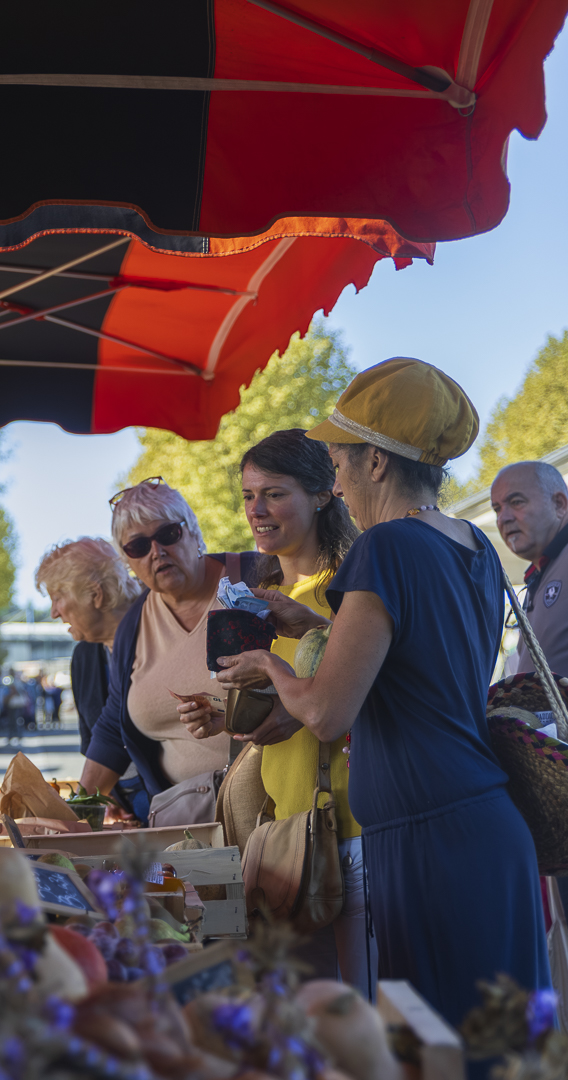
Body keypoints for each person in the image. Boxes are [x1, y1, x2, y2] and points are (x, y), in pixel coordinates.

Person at [216, 358, 549, 1033]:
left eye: (338, 457)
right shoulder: (472, 545)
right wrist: (315, 626)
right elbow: (417, 659)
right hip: (482, 822)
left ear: (376, 463)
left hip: (429, 839)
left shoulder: (384, 549)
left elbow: (325, 710)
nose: (333, 476)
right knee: (505, 1050)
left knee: (436, 1049)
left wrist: (268, 666)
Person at [183, 429, 371, 995]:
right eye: (247, 495)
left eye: (273, 493)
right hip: (285, 830)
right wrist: (226, 717)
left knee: (350, 1010)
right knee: (302, 1011)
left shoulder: (350, 590)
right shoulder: (257, 596)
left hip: (344, 829)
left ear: (322, 494)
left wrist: (298, 670)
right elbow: (281, 704)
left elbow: (367, 690)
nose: (256, 511)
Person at [82, 480, 259, 822]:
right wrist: (77, 811)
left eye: (168, 534)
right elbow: (113, 724)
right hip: (182, 820)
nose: (156, 552)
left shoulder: (255, 576)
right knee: (162, 879)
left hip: (270, 811)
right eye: (137, 546)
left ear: (193, 532)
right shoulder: (134, 624)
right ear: (127, 561)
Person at [33, 537, 142, 792]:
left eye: (57, 598)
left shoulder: (158, 630)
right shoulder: (84, 655)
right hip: (119, 798)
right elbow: (93, 737)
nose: (54, 613)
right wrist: (109, 799)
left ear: (95, 594)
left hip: (179, 803)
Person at [491, 460, 568, 673]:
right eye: (497, 509)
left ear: (559, 504)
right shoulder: (540, 571)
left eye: (516, 502)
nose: (503, 518)